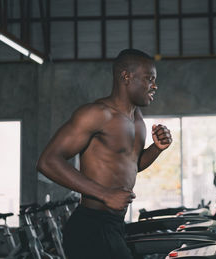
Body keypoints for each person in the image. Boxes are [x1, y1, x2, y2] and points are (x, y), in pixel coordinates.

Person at [36, 49, 172, 259]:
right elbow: (47, 161)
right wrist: (105, 194)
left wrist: (156, 149)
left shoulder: (137, 118)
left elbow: (132, 165)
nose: (154, 86)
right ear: (126, 76)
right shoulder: (97, 114)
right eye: (149, 79)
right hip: (91, 225)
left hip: (115, 223)